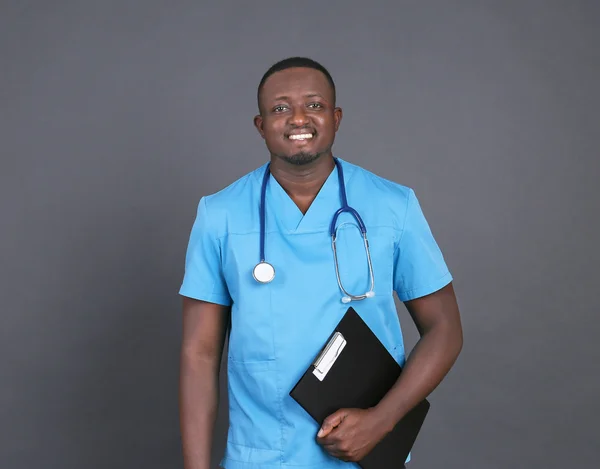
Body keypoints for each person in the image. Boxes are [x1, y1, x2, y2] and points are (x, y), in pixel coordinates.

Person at [178, 57, 463, 469]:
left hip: (362, 452)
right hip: (261, 455)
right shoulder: (220, 215)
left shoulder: (392, 205)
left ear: (336, 117)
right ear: (260, 125)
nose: (298, 118)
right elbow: (199, 354)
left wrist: (382, 422)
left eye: (314, 105)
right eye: (279, 108)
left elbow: (445, 329)